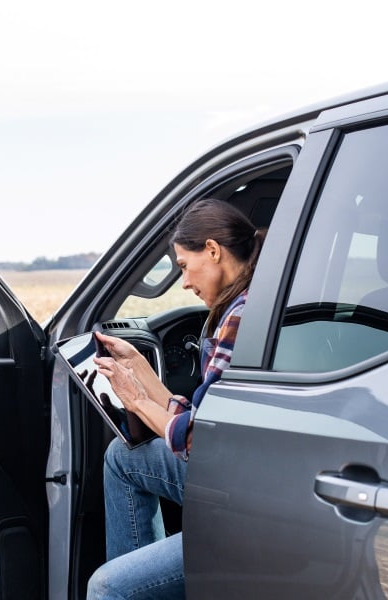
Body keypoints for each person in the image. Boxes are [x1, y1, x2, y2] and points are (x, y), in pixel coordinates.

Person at [86, 199, 265, 599]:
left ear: (214, 251)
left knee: (107, 588)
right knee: (124, 456)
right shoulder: (250, 302)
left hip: (240, 494)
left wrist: (135, 400)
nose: (183, 281)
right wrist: (140, 368)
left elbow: (195, 439)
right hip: (239, 471)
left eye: (184, 265)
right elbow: (202, 419)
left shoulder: (238, 317)